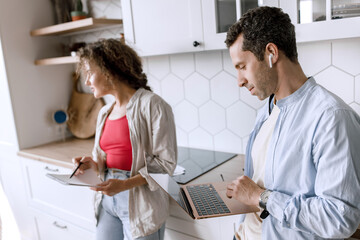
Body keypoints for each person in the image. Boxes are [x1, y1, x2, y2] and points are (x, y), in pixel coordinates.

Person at [224, 6, 360, 240]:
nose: (239, 81)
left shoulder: (331, 118)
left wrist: (262, 197)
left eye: (242, 67)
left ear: (271, 53)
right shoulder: (266, 111)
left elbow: (339, 218)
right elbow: (256, 184)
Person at [72, 38, 177, 240]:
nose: (86, 82)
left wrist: (124, 185)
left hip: (140, 201)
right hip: (107, 200)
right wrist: (91, 164)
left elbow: (165, 164)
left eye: (89, 73)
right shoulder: (105, 112)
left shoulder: (152, 105)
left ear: (108, 71)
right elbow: (104, 158)